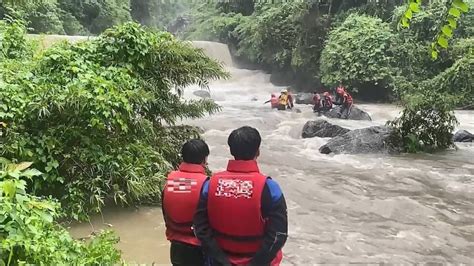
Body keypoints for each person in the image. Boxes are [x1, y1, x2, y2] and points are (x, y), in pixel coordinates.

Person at [194, 126, 288, 266]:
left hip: (219, 261)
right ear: (258, 151)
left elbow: (200, 227)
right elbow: (279, 235)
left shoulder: (210, 184)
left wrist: (221, 260)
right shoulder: (269, 187)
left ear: (231, 151)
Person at [162, 139, 210, 266]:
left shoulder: (170, 182)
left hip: (176, 248)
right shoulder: (206, 185)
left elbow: (166, 214)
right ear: (204, 160)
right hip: (198, 249)